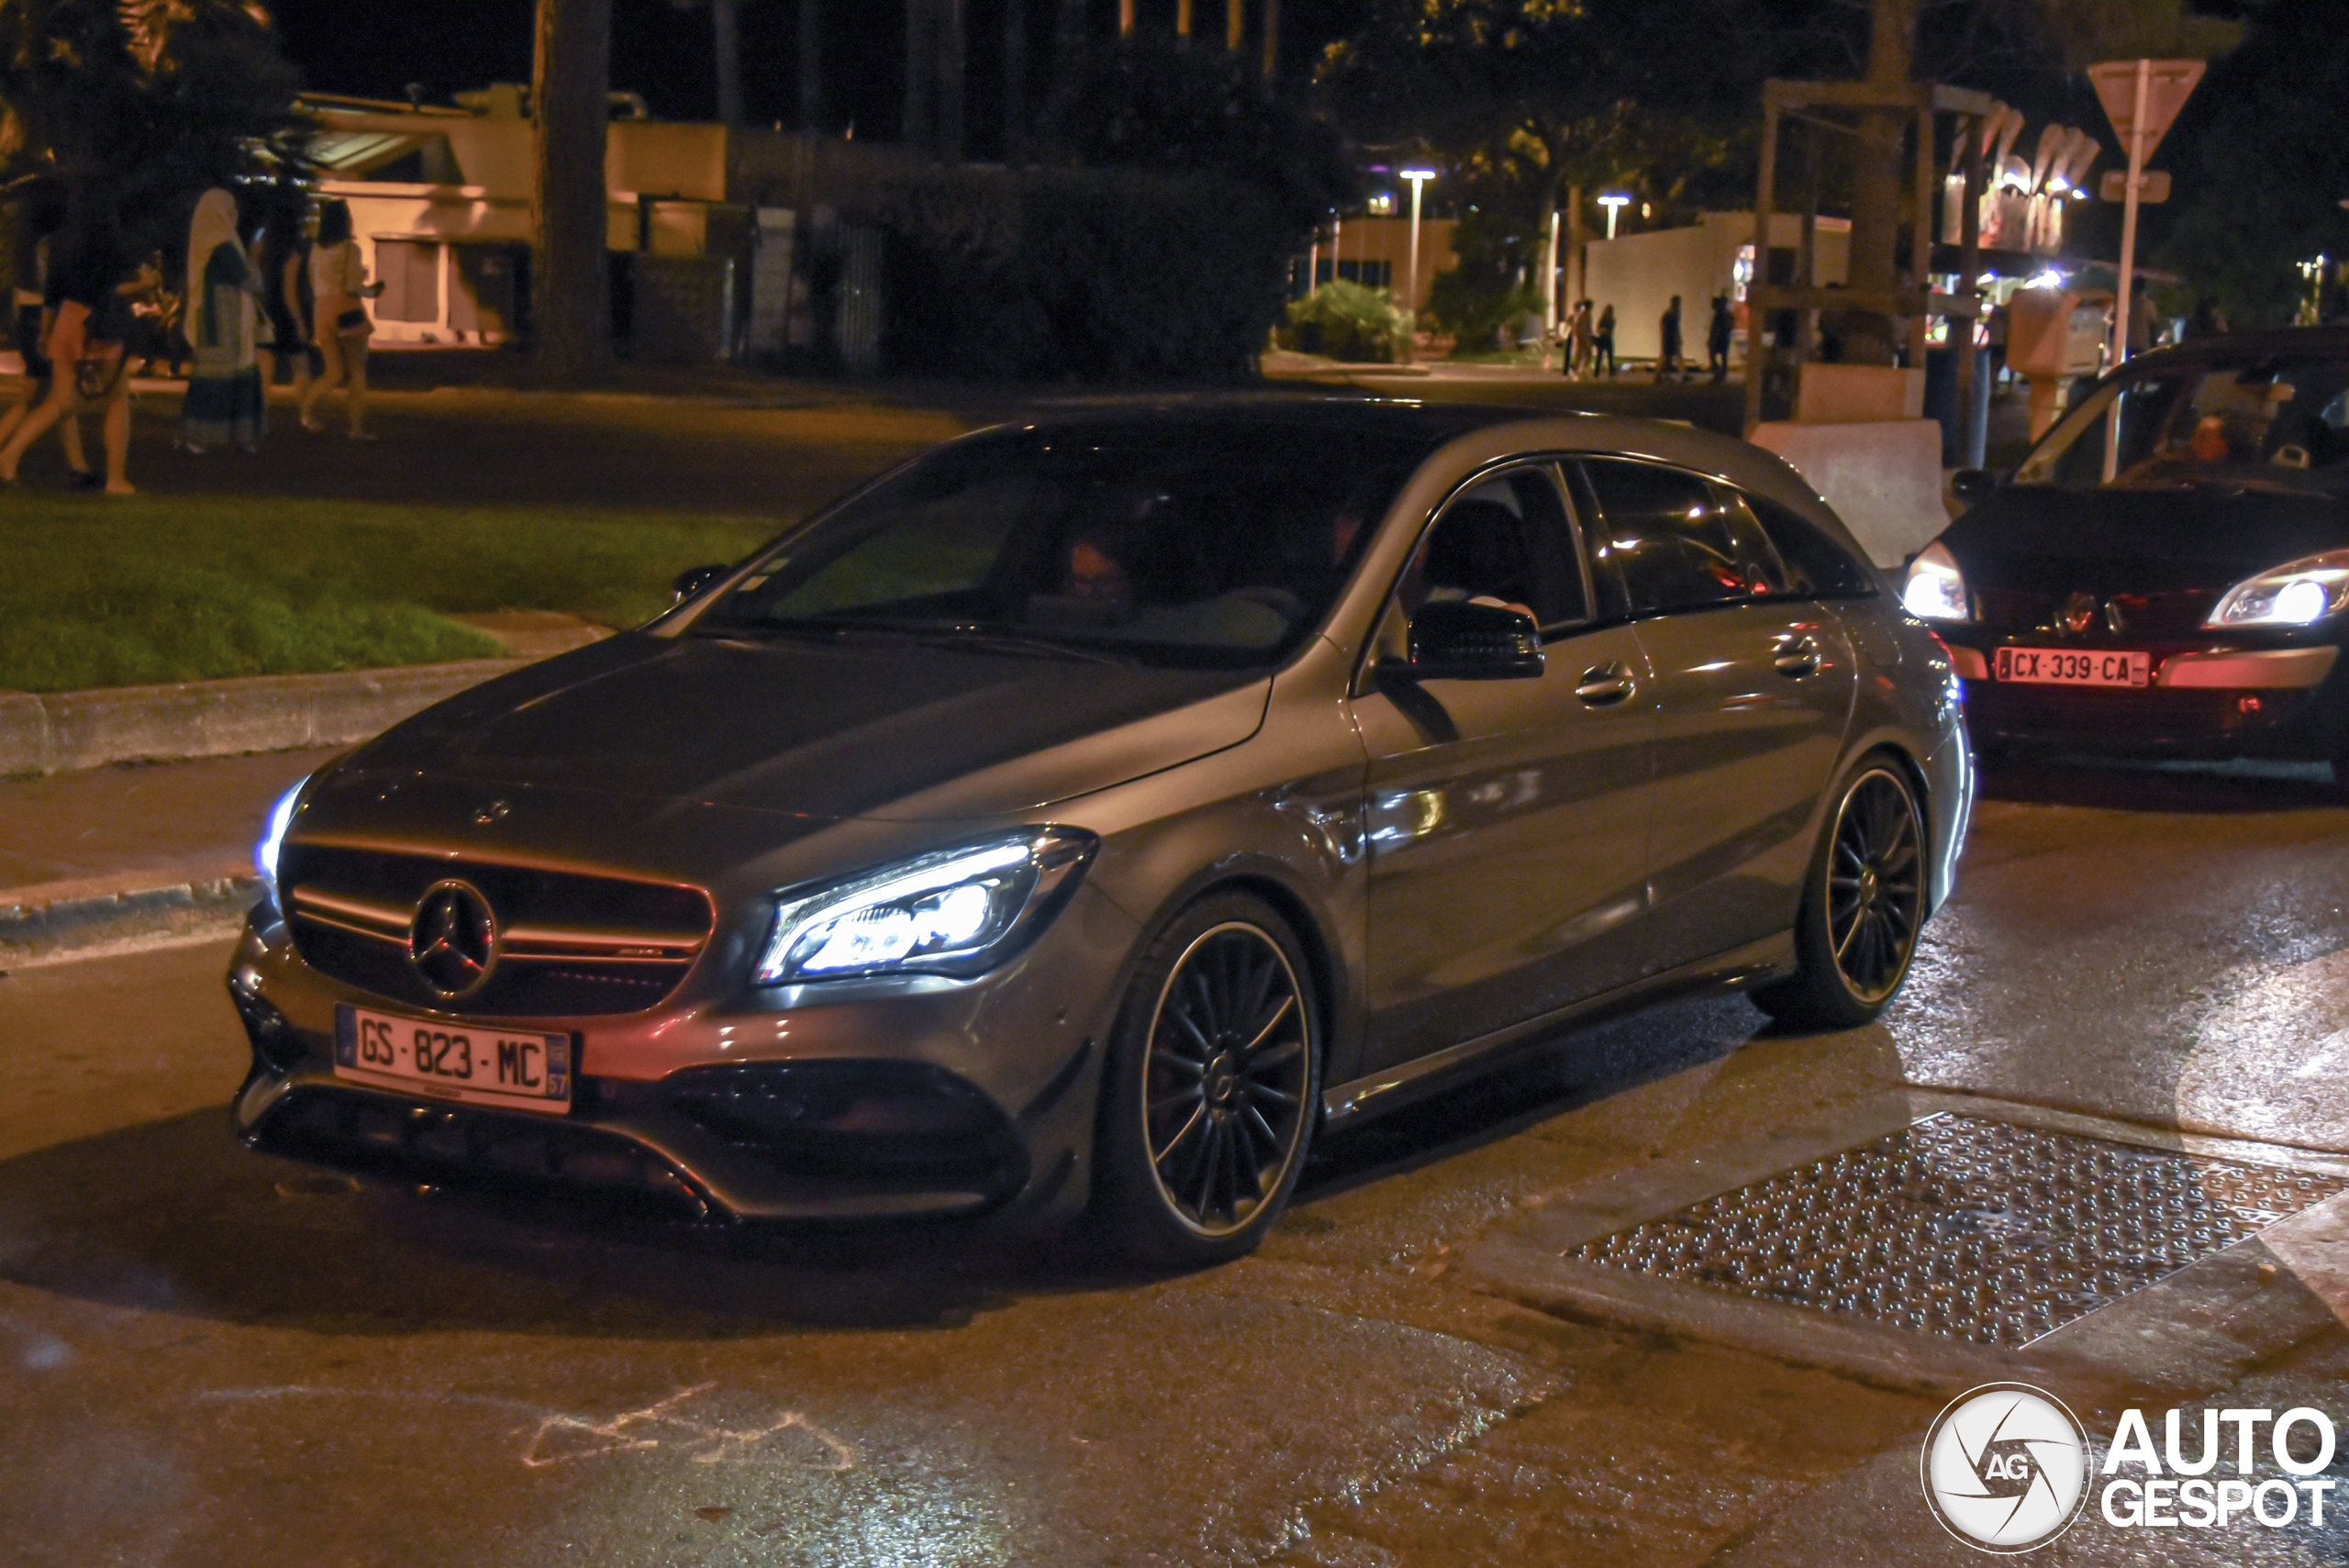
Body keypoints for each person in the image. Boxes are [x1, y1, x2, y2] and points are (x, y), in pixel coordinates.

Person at [0, 200, 137, 494]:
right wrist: (144, 286)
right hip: (102, 322)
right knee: (117, 398)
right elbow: (109, 289)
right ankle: (116, 479)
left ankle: (10, 454)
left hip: (68, 317)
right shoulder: (113, 240)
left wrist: (48, 332)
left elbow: (53, 291)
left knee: (60, 401)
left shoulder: (62, 241)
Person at [0, 180, 96, 488]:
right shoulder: (52, 243)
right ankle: (11, 459)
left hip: (28, 315)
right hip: (42, 318)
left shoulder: (27, 240)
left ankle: (78, 467)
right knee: (60, 398)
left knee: (39, 397)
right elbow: (54, 288)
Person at [181, 188, 264, 452]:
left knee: (214, 378)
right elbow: (250, 281)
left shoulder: (206, 242)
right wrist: (254, 256)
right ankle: (228, 436)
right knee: (223, 380)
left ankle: (200, 436)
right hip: (225, 322)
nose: (234, 215)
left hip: (214, 320)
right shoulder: (223, 246)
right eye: (230, 209)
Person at [299, 199, 381, 439]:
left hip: (321, 309)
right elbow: (353, 285)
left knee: (333, 372)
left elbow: (314, 281)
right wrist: (370, 291)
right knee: (357, 371)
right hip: (347, 310)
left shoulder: (316, 250)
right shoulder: (349, 249)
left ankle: (306, 412)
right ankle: (356, 428)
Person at [254, 186, 317, 407]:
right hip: (285, 314)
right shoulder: (293, 251)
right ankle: (306, 415)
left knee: (264, 370)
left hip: (264, 310)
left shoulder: (261, 248)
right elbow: (289, 289)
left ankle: (260, 418)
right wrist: (299, 320)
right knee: (301, 367)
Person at [1707, 294, 1733, 382]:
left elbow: (1717, 328)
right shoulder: (1727, 314)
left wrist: (1712, 338)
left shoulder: (1720, 314)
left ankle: (1719, 373)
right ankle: (1721, 374)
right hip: (1725, 338)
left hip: (1719, 338)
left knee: (1713, 355)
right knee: (1723, 357)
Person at [1657, 295, 1684, 381]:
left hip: (1669, 337)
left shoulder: (1672, 312)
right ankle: (1661, 375)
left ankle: (1662, 375)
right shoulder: (1672, 313)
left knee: (1669, 356)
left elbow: (1662, 324)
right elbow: (1674, 326)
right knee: (1669, 357)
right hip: (1670, 337)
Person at [1594, 304, 1617, 377]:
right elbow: (1598, 330)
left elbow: (1610, 330)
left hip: (1607, 338)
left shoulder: (1611, 320)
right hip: (1603, 338)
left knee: (1609, 356)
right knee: (1600, 356)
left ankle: (1610, 372)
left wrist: (1603, 330)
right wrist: (1603, 330)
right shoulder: (1604, 320)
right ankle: (1597, 372)